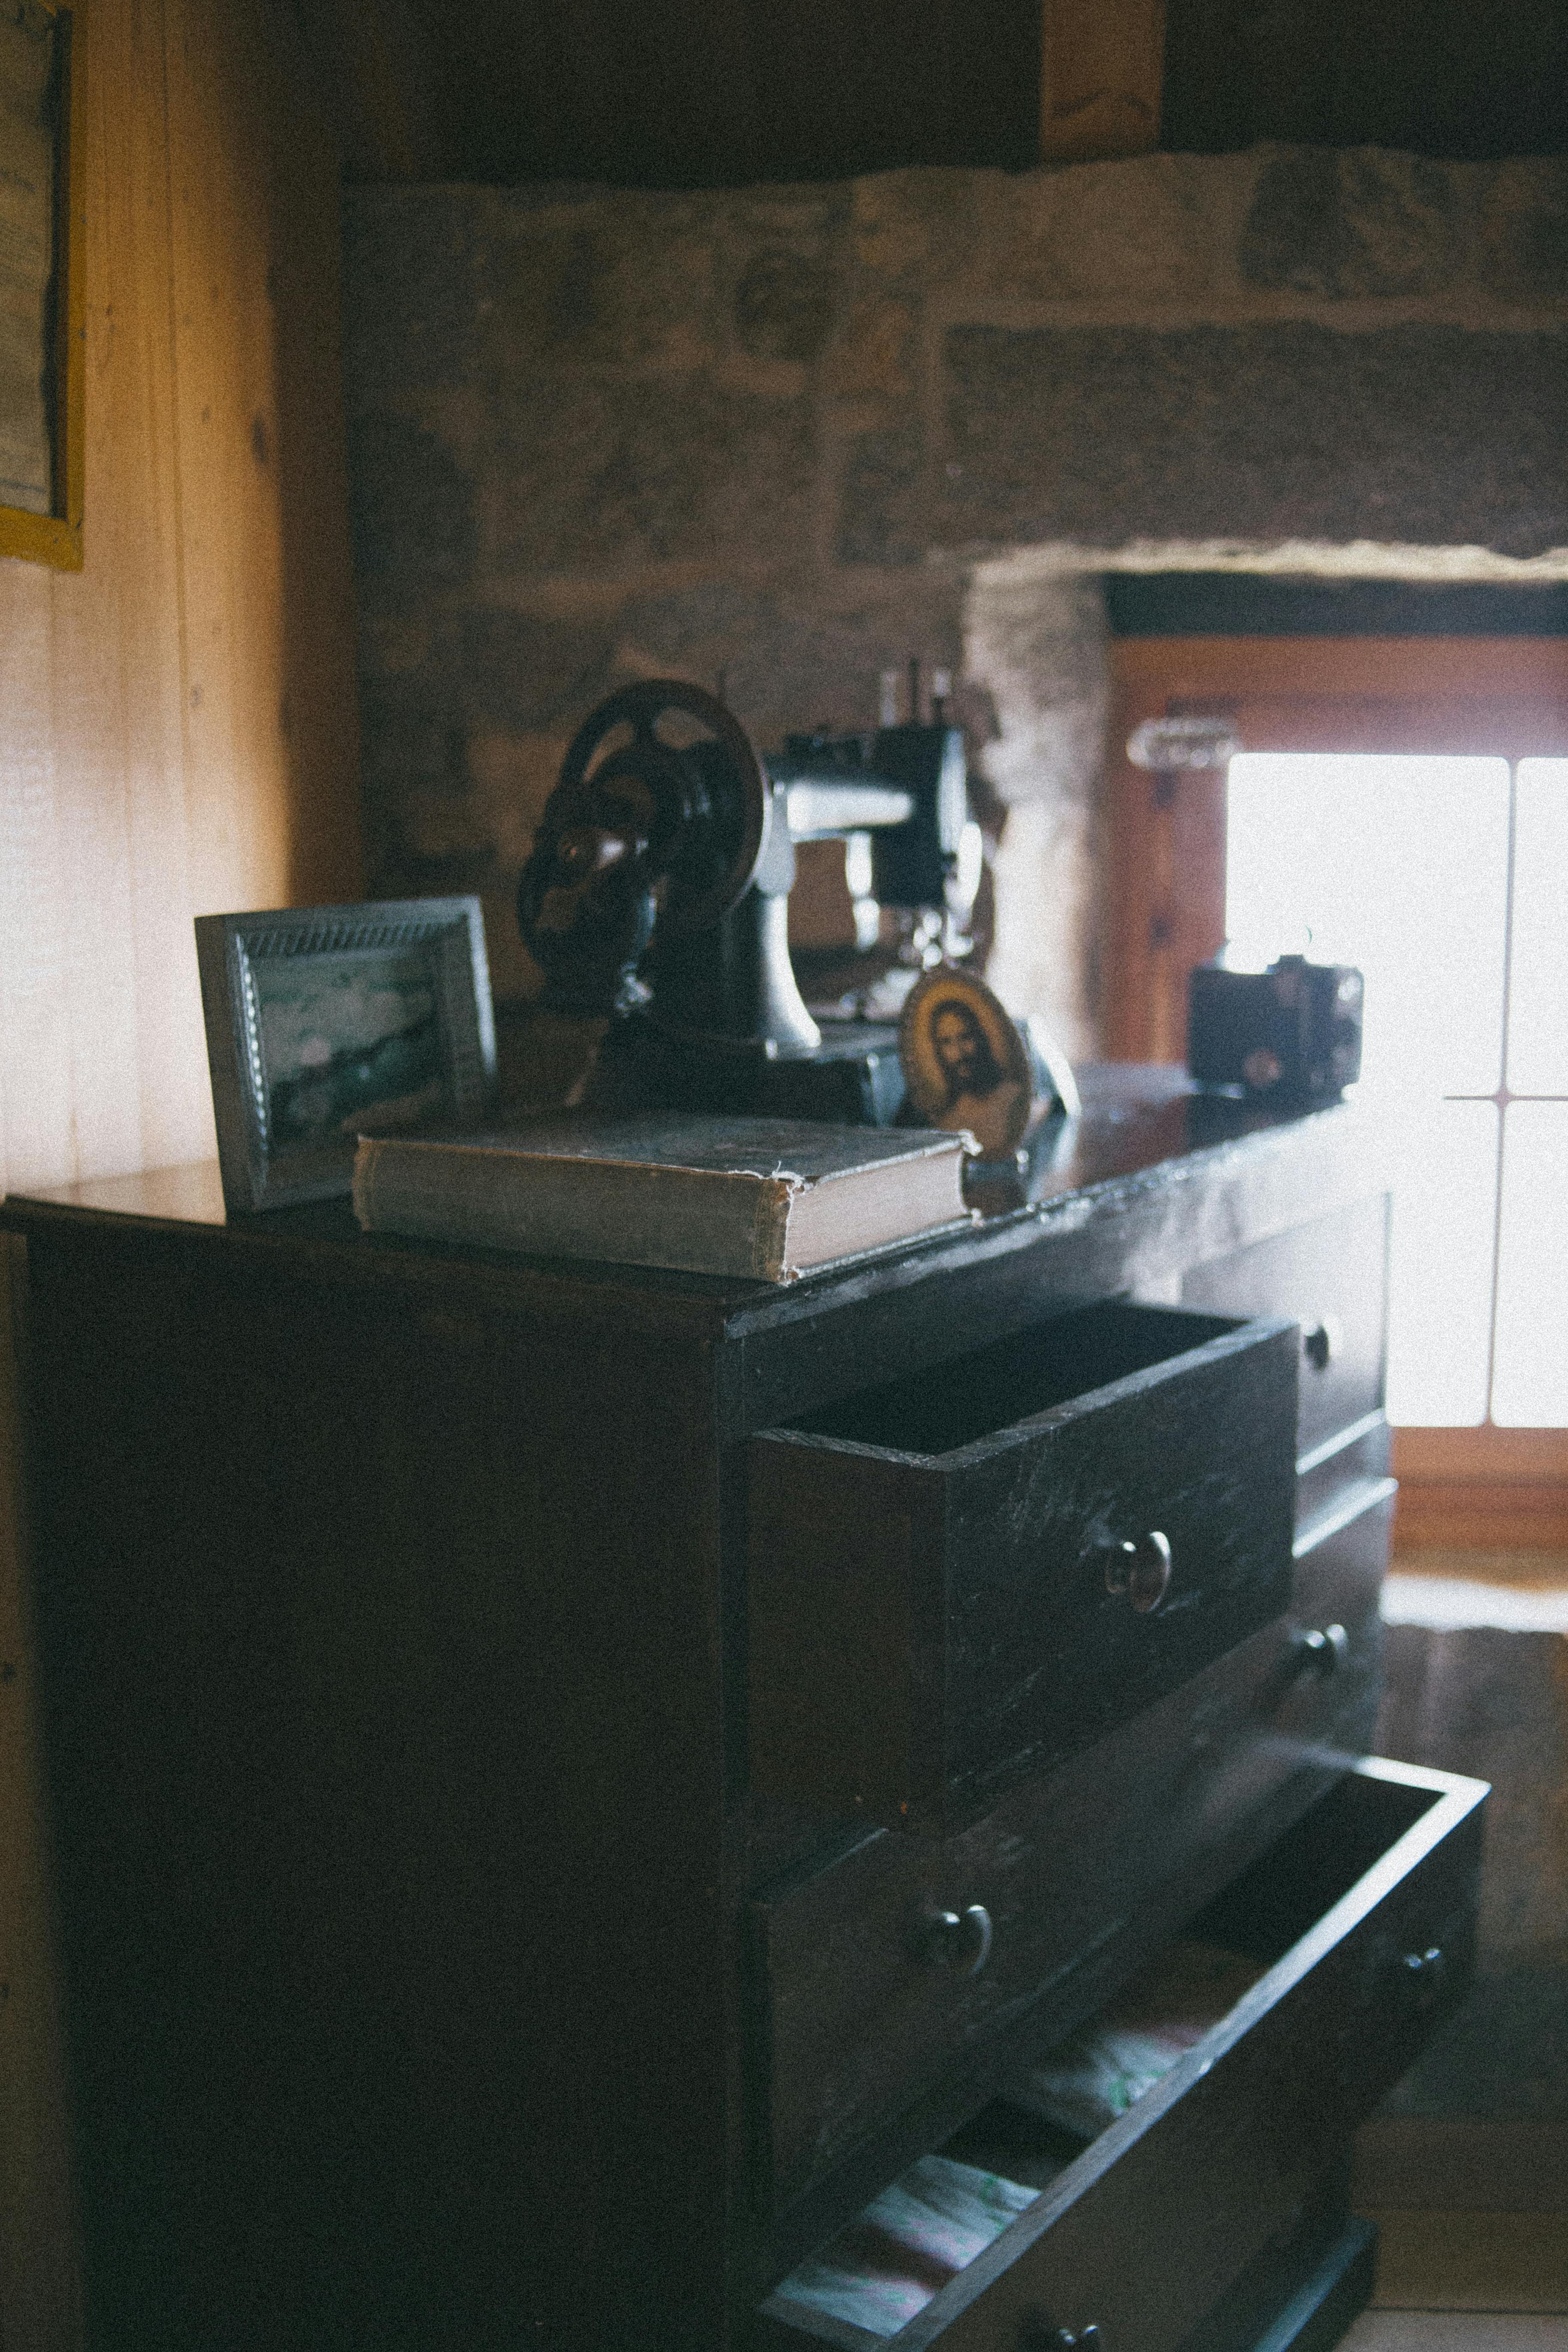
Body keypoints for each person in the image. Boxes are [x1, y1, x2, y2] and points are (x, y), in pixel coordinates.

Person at [928, 995, 1026, 1153]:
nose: (959, 1053)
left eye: (965, 1037)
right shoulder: (947, 1119)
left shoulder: (1013, 1098)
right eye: (947, 1042)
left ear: (980, 1039)